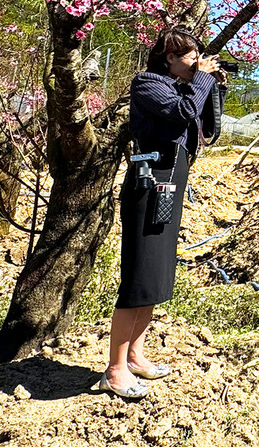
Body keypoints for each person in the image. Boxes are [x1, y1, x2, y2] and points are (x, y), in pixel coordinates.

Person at [95, 28, 224, 398]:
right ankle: (115, 369)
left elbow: (206, 126)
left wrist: (212, 85)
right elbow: (180, 112)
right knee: (138, 277)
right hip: (148, 185)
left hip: (169, 185)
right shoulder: (147, 84)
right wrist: (200, 78)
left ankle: (135, 355)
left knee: (155, 275)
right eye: (190, 56)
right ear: (170, 57)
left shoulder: (185, 87)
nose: (196, 61)